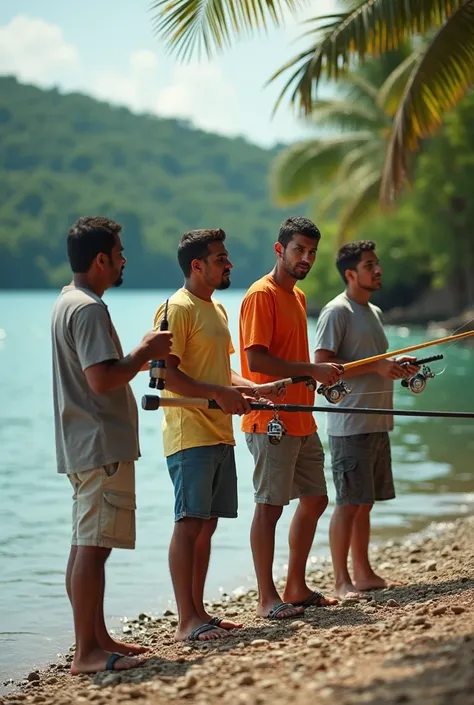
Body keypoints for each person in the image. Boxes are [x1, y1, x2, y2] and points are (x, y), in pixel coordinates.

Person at [51, 216, 172, 675]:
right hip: (99, 444)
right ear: (101, 259)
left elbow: (98, 372)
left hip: (83, 442)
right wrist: (145, 351)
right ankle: (87, 653)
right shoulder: (88, 309)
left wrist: (137, 359)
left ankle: (96, 637)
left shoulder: (68, 301)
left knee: (86, 544)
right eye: (119, 253)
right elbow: (101, 380)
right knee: (93, 547)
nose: (124, 260)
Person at [154, 228, 280, 642]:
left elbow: (219, 373)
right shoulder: (176, 308)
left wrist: (254, 389)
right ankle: (185, 621)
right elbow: (166, 374)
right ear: (197, 265)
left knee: (206, 525)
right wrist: (217, 395)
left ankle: (199, 612)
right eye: (221, 258)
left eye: (226, 257)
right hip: (189, 434)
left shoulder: (217, 309)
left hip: (219, 433)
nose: (229, 264)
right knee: (188, 524)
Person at [239, 216, 343, 620]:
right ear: (279, 249)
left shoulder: (297, 297)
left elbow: (293, 361)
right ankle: (267, 598)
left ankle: (295, 587)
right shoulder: (260, 295)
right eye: (299, 249)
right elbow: (255, 359)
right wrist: (310, 371)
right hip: (270, 421)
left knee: (316, 499)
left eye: (313, 252)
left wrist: (314, 378)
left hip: (302, 416)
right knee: (269, 507)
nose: (307, 258)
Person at [314, 240, 419, 600]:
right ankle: (341, 581)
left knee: (365, 501)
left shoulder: (373, 311)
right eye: (370, 264)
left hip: (377, 422)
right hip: (349, 425)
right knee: (348, 502)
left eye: (378, 263)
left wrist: (399, 370)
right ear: (350, 273)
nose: (378, 270)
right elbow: (323, 370)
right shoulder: (336, 311)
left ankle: (364, 572)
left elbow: (375, 363)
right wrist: (376, 365)